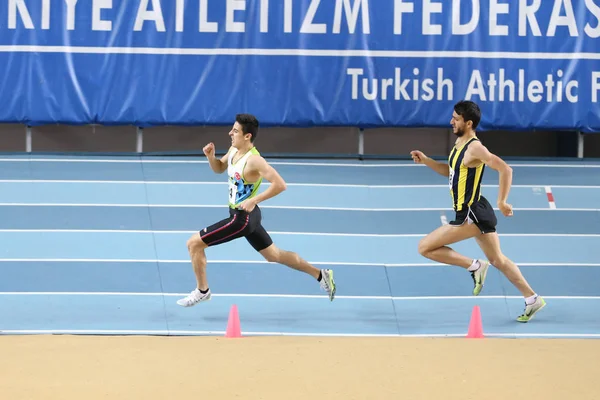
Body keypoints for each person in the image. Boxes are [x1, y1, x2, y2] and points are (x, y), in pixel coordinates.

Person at [176, 113, 336, 307]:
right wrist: (211, 157)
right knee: (274, 255)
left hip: (242, 219)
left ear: (247, 136)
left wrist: (254, 200)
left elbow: (280, 184)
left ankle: (203, 291)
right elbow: (219, 168)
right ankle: (321, 275)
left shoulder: (255, 161)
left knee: (194, 244)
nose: (230, 133)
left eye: (235, 131)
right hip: (246, 216)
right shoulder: (234, 151)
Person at [410, 100, 545, 323]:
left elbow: (505, 168)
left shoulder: (475, 147)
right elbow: (450, 171)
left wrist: (502, 201)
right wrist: (426, 161)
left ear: (469, 122)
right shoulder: (459, 143)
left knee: (424, 247)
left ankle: (474, 266)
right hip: (477, 211)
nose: (451, 121)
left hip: (471, 212)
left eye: (456, 118)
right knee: (498, 260)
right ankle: (532, 299)